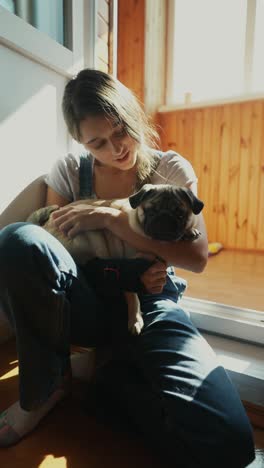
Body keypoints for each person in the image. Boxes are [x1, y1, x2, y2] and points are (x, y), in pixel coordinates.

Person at [0, 69, 255, 467]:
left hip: (154, 299)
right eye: (97, 143)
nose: (116, 149)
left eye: (120, 131)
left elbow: (197, 256)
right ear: (81, 142)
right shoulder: (70, 170)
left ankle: (112, 391)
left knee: (233, 444)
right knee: (17, 239)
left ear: (133, 116)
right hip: (89, 300)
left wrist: (111, 220)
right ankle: (46, 388)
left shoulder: (170, 169)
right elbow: (53, 249)